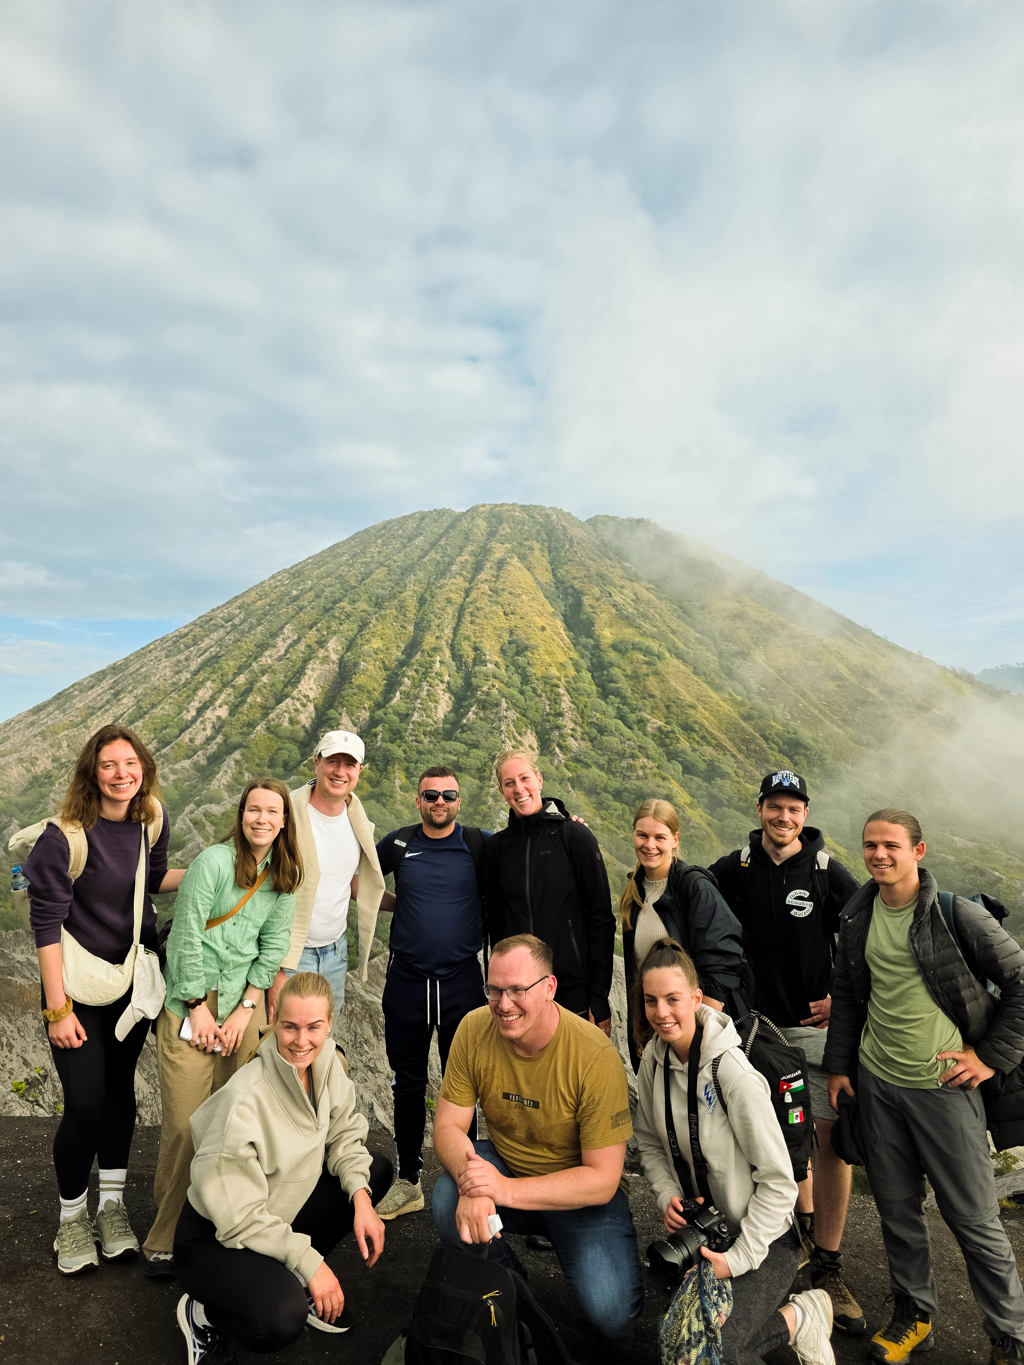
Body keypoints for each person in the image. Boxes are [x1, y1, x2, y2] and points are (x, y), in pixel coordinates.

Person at [825, 810, 1024, 1365]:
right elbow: (847, 989)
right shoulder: (858, 914)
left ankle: (1010, 1335)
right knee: (897, 1209)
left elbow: (1020, 982)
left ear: (919, 851)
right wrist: (840, 1064)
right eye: (870, 845)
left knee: (973, 1218)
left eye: (891, 845)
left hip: (944, 1087)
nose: (878, 855)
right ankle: (915, 1316)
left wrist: (987, 1058)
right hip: (878, 1082)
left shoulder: (954, 914)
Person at [25, 723, 183, 1274]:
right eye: (109, 765)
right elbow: (45, 924)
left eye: (130, 763)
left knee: (119, 1096)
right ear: (92, 772)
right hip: (78, 991)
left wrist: (224, 871)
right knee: (86, 1101)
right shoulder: (63, 837)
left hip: (130, 983)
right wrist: (57, 1008)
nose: (122, 774)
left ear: (144, 768)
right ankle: (72, 1215)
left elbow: (157, 878)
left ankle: (111, 1208)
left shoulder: (151, 819)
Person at [431, 933, 642, 1343]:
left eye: (517, 990)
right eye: (494, 989)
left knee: (613, 1318)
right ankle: (510, 1283)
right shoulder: (474, 1030)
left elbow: (602, 1179)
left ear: (550, 988)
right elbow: (447, 1127)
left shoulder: (594, 1056)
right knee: (446, 1198)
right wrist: (472, 1180)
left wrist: (500, 1189)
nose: (503, 1004)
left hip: (578, 1192)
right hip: (506, 1168)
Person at [709, 769, 863, 1333]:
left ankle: (827, 1264)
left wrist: (846, 1001)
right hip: (750, 1028)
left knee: (826, 1137)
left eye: (794, 808)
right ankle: (779, 1241)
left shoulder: (825, 872)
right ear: (760, 810)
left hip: (809, 1027)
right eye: (775, 807)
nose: (784, 817)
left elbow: (875, 928)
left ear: (805, 814)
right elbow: (688, 894)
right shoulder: (736, 869)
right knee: (766, 1132)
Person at [633, 937, 835, 1365]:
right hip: (706, 1236)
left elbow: (780, 1182)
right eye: (651, 1001)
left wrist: (739, 1258)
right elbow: (649, 1140)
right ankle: (793, 1325)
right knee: (681, 1344)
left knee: (707, 1352)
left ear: (696, 997)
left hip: (765, 1239)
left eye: (673, 999)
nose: (662, 1013)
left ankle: (803, 1313)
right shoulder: (652, 1060)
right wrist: (668, 1192)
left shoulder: (732, 1073)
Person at [174, 971, 392, 1362]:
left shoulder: (325, 1062)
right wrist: (312, 1264)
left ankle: (285, 1276)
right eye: (289, 1027)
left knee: (373, 1171)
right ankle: (204, 1312)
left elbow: (343, 1133)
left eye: (314, 1027)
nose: (301, 1040)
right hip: (217, 1236)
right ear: (273, 1018)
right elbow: (239, 1218)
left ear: (329, 1024)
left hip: (274, 1210)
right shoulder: (246, 1100)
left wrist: (362, 1200)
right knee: (280, 1319)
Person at [142, 777, 302, 1272]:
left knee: (236, 1129)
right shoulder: (212, 864)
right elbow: (187, 935)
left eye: (272, 812)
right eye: (254, 810)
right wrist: (197, 1005)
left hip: (241, 1011)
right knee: (185, 1128)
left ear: (283, 821)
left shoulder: (284, 874)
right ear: (241, 815)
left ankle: (222, 1225)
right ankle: (164, 1236)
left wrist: (246, 1010)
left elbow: (272, 948)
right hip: (192, 1006)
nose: (262, 820)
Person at [373, 765, 488, 1221]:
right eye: (431, 795)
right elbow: (358, 877)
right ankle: (407, 1180)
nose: (440, 802)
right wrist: (405, 905)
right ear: (418, 801)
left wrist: (569, 823)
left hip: (462, 980)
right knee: (408, 1083)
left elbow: (525, 854)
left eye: (448, 795)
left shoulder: (478, 844)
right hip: (408, 979)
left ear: (460, 801)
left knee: (466, 1086)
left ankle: (469, 1177)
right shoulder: (399, 844)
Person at [484, 748, 614, 1033]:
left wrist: (599, 999)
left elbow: (601, 918)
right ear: (501, 791)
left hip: (573, 992)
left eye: (525, 778)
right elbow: (496, 925)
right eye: (509, 783)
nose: (519, 789)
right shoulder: (497, 848)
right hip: (520, 993)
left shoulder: (574, 837)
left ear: (539, 780)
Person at [268, 730, 385, 1022]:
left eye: (349, 764)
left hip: (335, 952)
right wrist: (275, 968)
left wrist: (408, 903)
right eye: (333, 761)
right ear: (317, 762)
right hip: (290, 954)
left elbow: (349, 884)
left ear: (359, 771)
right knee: (280, 1040)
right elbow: (260, 887)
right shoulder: (285, 815)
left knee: (320, 1039)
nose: (340, 771)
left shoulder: (360, 823)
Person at [621, 798, 747, 1070]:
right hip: (653, 1030)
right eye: (642, 835)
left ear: (675, 839)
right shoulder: (634, 892)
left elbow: (723, 964)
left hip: (692, 1034)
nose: (649, 844)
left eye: (659, 837)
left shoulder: (693, 888)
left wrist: (702, 1036)